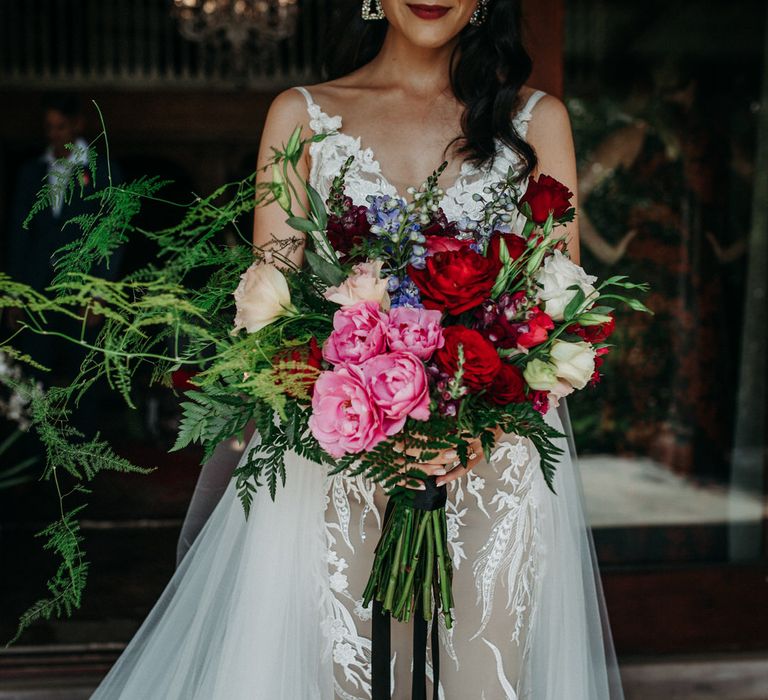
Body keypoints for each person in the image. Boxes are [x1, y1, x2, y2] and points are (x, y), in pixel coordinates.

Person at [91, 1, 623, 698]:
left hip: (495, 457)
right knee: (344, 676)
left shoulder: (536, 122)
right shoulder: (304, 116)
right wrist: (361, 405)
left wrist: (480, 429)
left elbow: (563, 309)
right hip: (336, 456)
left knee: (486, 680)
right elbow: (269, 310)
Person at [4, 93, 124, 398]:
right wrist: (14, 293)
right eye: (49, 127)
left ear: (77, 125)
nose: (55, 134)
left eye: (61, 126)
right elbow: (19, 236)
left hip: (83, 288)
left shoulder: (103, 170)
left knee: (83, 374)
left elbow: (112, 234)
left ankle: (83, 442)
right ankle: (33, 443)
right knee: (31, 374)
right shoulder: (31, 172)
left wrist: (100, 292)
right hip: (36, 288)